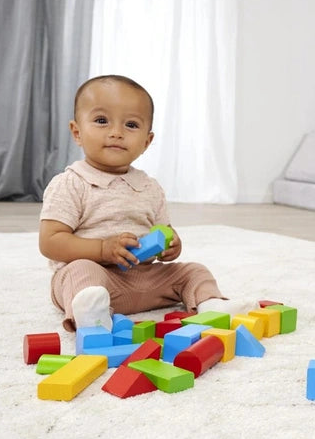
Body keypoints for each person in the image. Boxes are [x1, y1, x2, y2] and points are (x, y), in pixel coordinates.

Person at [40, 74, 247, 331]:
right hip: (98, 276)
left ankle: (210, 303)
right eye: (102, 121)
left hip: (143, 279)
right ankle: (93, 314)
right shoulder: (71, 183)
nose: (116, 133)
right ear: (77, 132)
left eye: (131, 125)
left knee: (193, 270)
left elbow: (163, 232)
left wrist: (172, 245)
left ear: (147, 142)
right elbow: (50, 242)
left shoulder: (151, 188)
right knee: (79, 272)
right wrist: (103, 249)